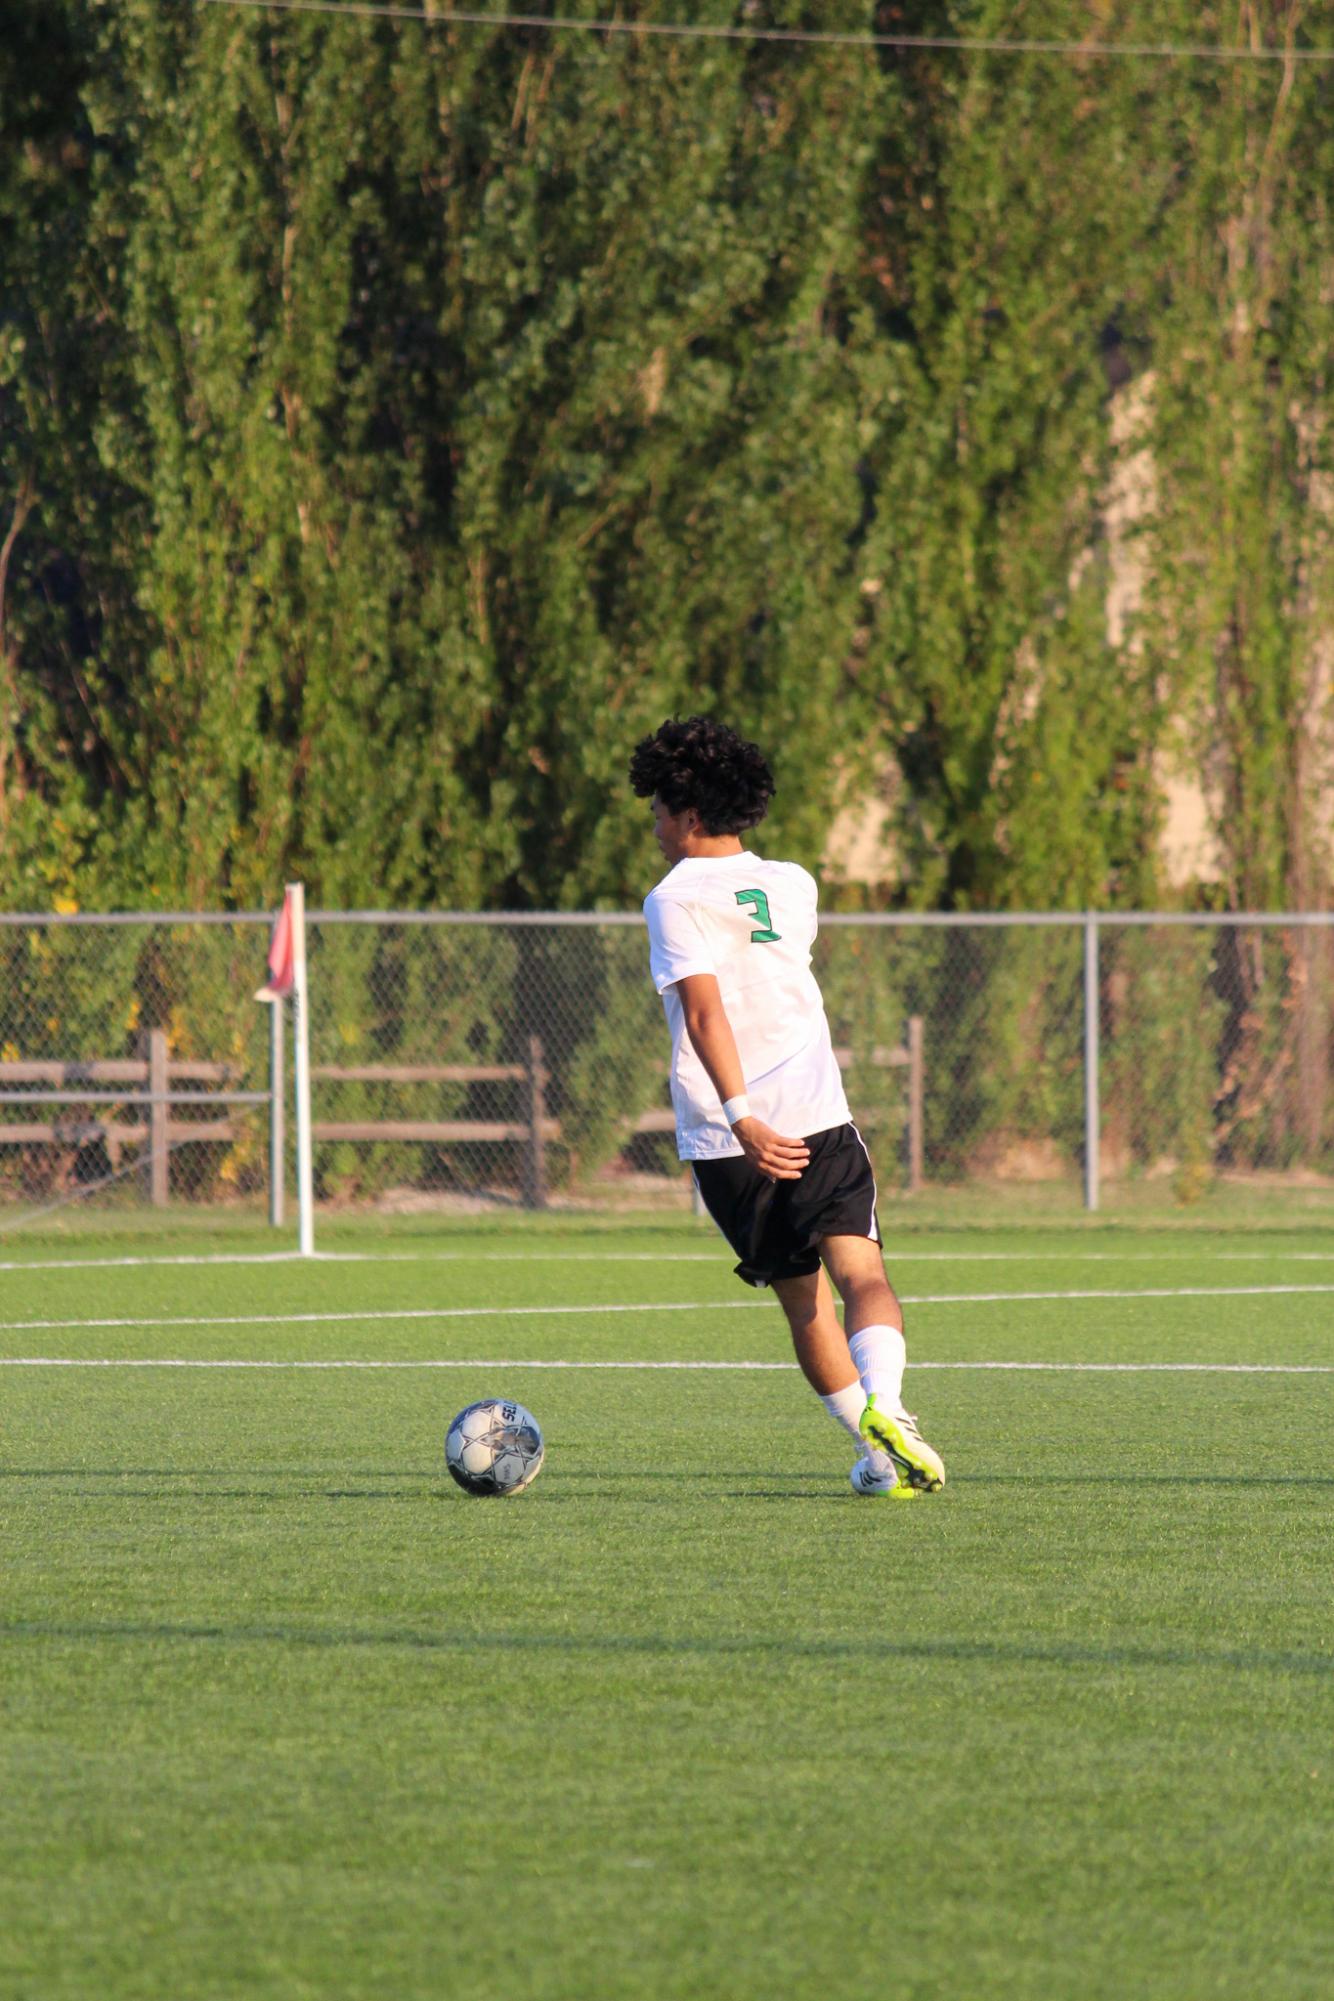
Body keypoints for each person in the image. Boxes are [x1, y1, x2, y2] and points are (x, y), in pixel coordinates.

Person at [629, 715, 945, 1500]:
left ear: (690, 813)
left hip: (730, 1137)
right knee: (862, 1273)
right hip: (817, 1116)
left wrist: (741, 1116)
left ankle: (878, 1458)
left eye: (660, 810)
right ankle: (891, 1412)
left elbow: (706, 1014)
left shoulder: (671, 900)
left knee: (804, 1302)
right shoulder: (794, 883)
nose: (656, 826)